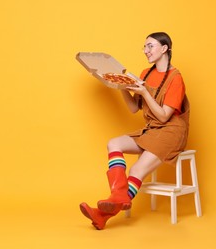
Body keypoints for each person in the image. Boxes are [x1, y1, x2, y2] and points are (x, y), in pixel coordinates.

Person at [79, 32, 190, 230]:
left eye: (150, 46)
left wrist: (145, 92)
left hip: (171, 132)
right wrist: (121, 86)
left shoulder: (176, 78)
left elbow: (165, 116)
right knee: (113, 143)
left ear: (164, 49)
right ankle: (115, 201)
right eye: (144, 47)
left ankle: (103, 213)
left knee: (136, 170)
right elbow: (133, 108)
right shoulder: (145, 73)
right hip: (152, 129)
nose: (145, 51)